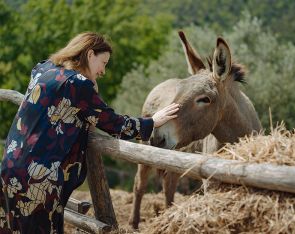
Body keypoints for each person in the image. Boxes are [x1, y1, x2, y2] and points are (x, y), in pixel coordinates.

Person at [0, 32, 179, 233]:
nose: (103, 71)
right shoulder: (78, 84)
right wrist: (152, 122)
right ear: (90, 54)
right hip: (39, 179)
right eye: (103, 62)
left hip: (10, 168)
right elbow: (113, 123)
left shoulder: (43, 69)